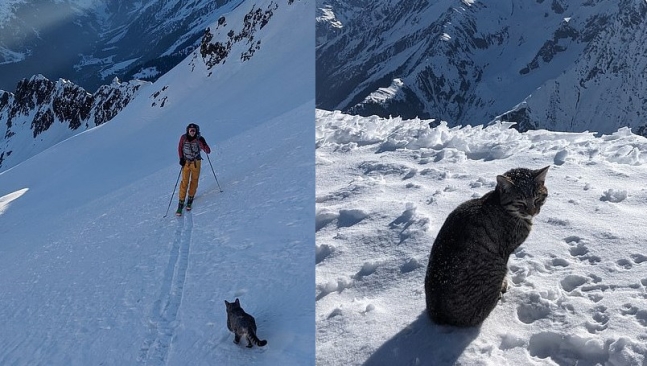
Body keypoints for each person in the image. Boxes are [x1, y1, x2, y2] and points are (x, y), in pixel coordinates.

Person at [176, 123, 211, 216]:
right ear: (187, 130)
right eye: (190, 130)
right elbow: (180, 148)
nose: (192, 132)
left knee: (194, 181)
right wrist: (181, 158)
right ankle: (181, 202)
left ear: (196, 131)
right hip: (186, 163)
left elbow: (208, 150)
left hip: (196, 162)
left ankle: (190, 198)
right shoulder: (183, 138)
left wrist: (204, 144)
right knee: (184, 182)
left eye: (194, 130)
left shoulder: (199, 139)